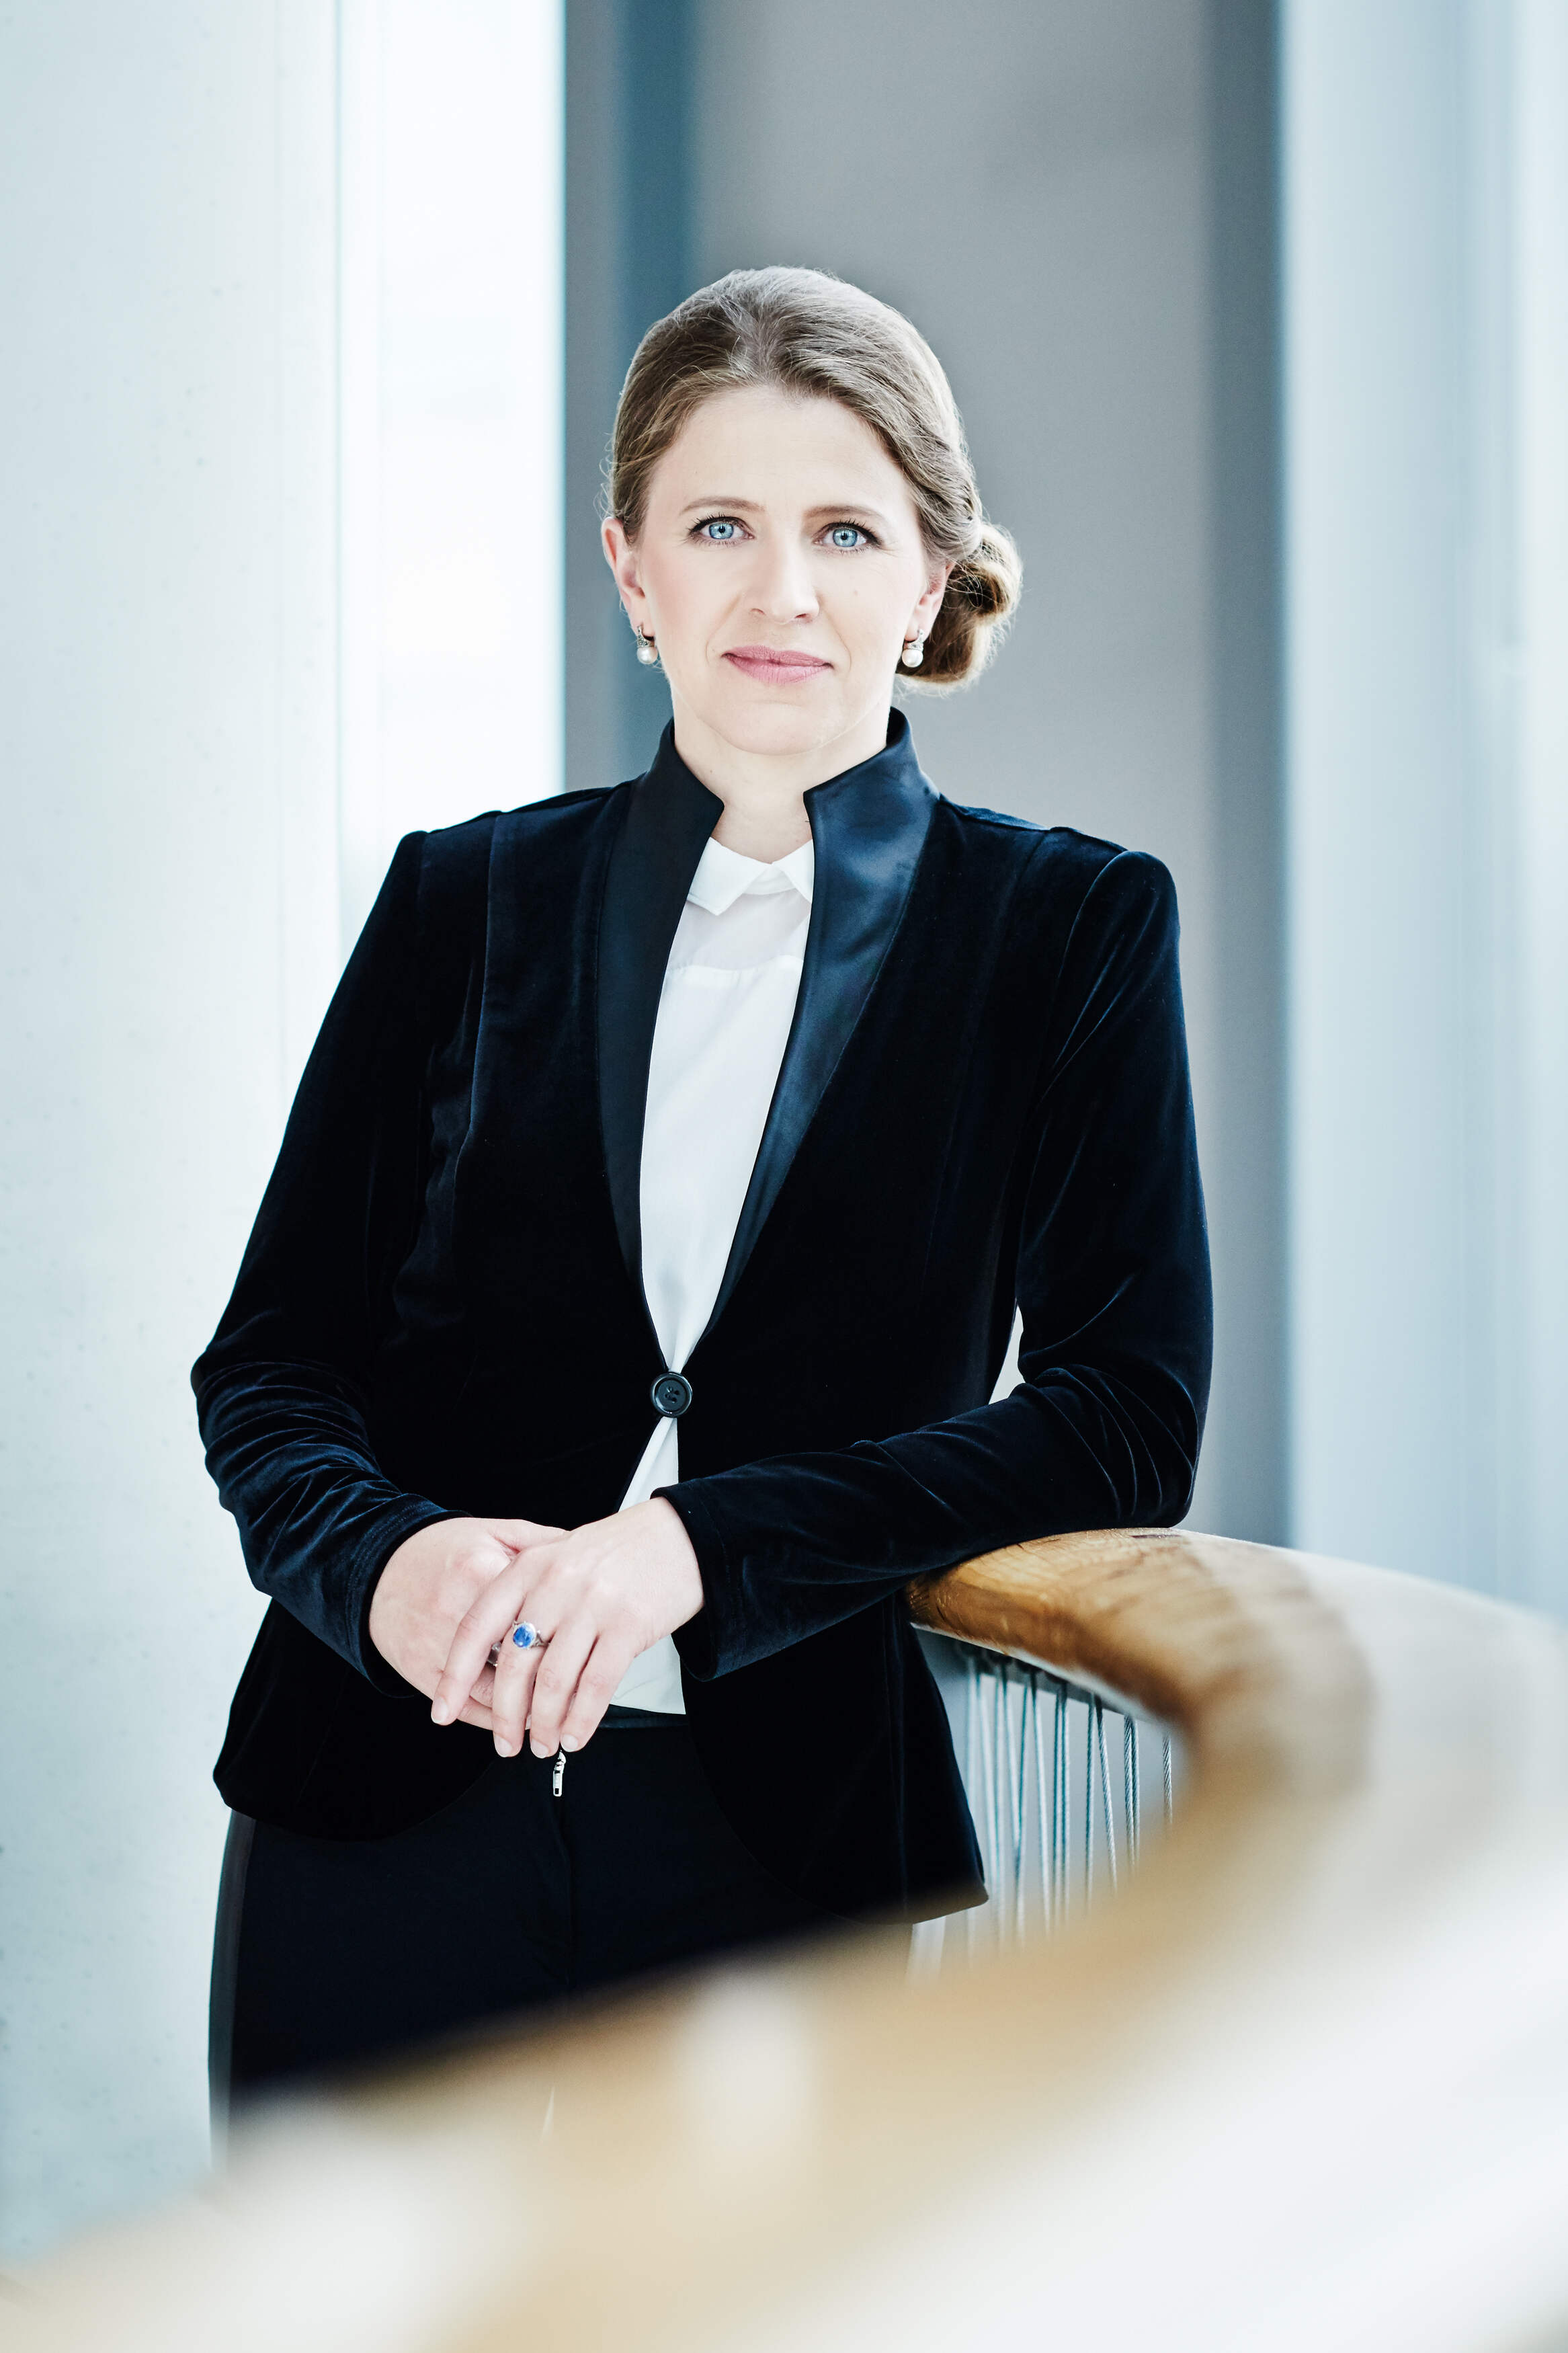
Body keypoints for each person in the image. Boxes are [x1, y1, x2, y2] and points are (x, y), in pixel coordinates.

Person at [196, 266, 1212, 2110]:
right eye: (721, 524)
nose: (782, 590)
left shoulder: (1069, 929)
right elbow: (272, 1363)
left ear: (930, 580)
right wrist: (381, 1564)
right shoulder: (458, 898)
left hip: (777, 1853)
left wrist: (701, 1545)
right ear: (632, 569)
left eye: (847, 531)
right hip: (373, 1809)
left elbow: (1126, 1414)